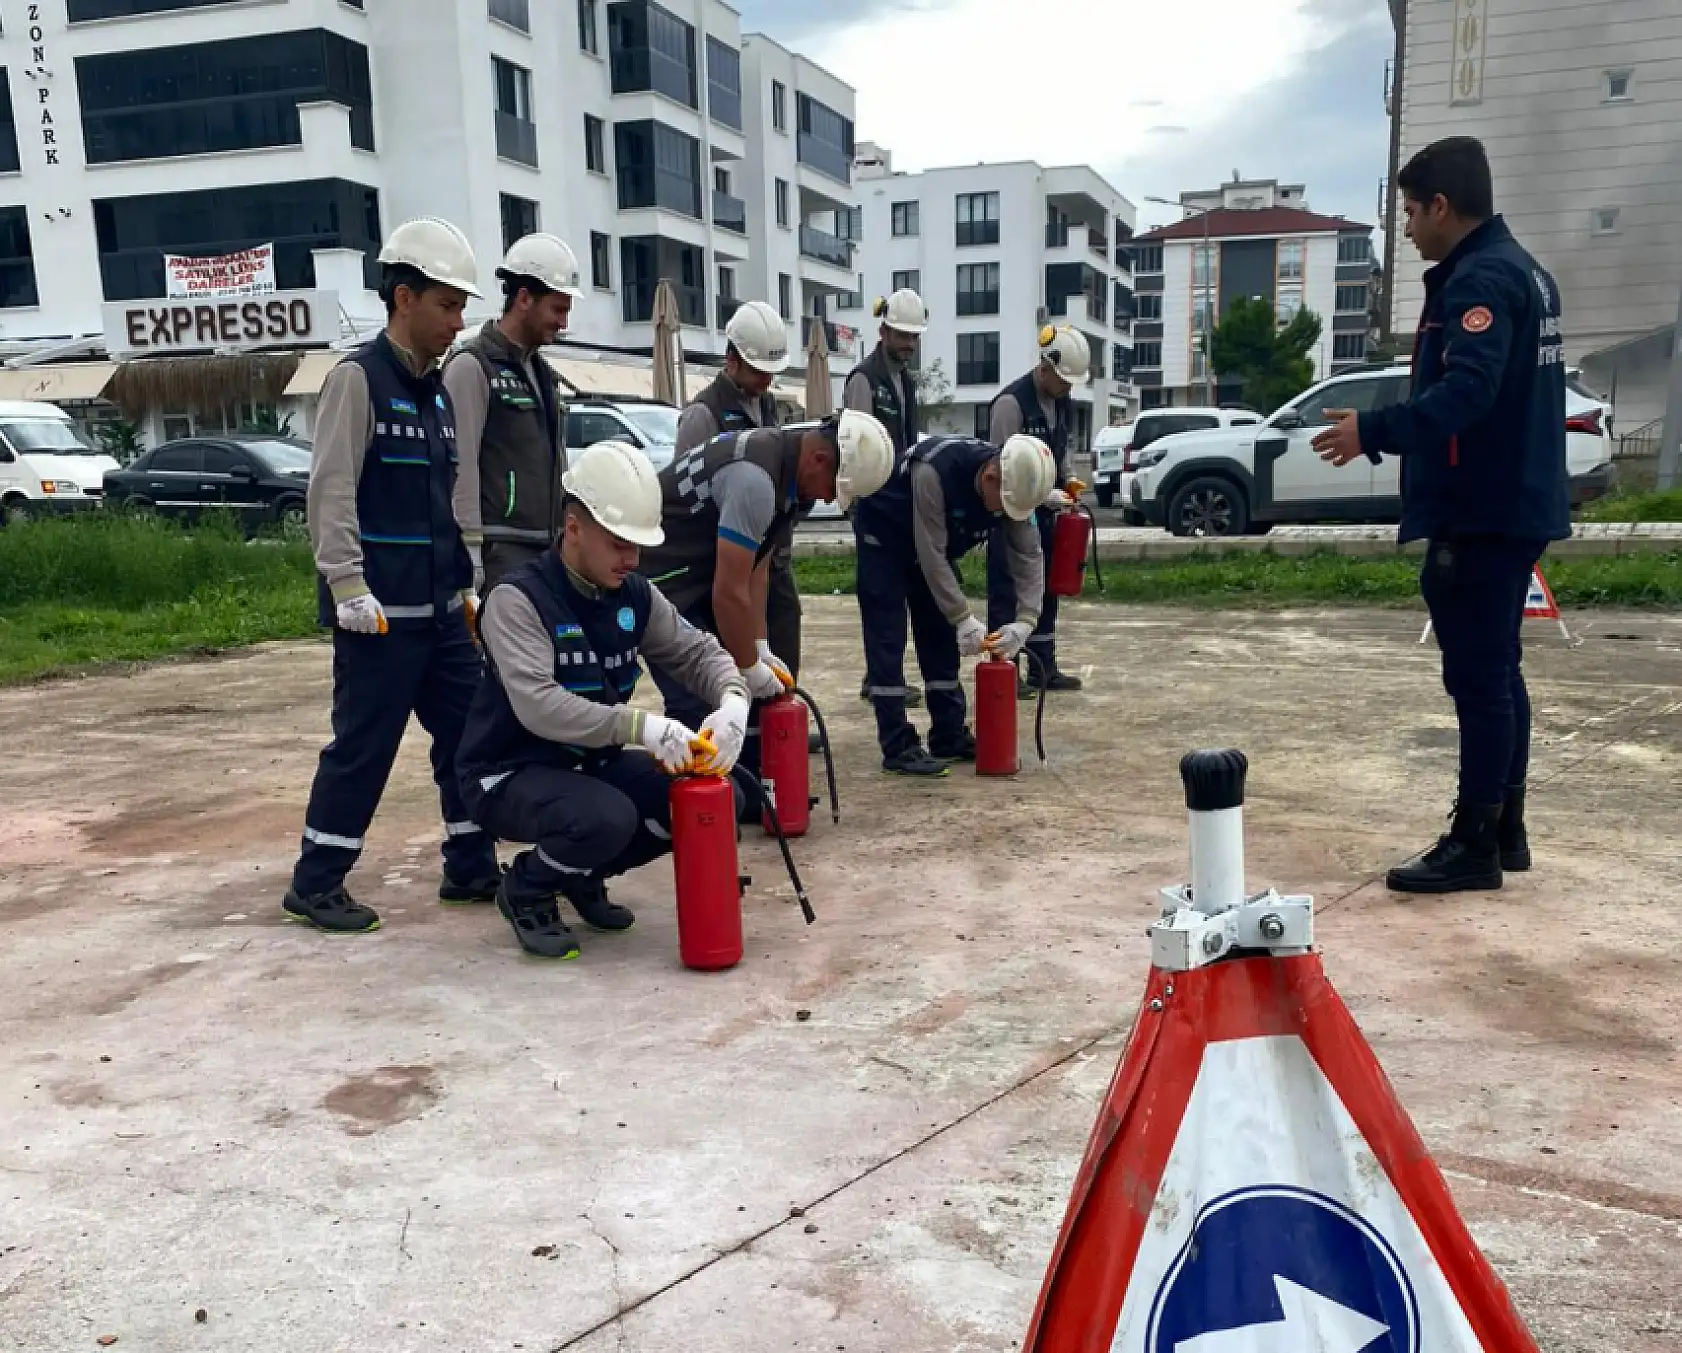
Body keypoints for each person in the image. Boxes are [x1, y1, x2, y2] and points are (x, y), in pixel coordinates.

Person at [1313, 136, 1569, 894]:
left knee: (1480, 677)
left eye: (1409, 211)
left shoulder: (1481, 277)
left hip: (1484, 508)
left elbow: (1468, 395)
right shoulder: (1528, 270)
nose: (1406, 227)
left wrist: (1374, 431)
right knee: (1500, 671)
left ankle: (1474, 841)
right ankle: (1504, 827)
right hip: (1514, 501)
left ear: (1441, 207)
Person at [283, 218, 502, 933]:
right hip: (377, 615)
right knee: (363, 748)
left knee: (472, 736)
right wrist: (346, 583)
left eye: (462, 307)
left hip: (440, 612)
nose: (458, 321)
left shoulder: (436, 394)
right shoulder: (358, 380)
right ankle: (316, 884)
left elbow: (446, 499)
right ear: (404, 298)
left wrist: (465, 580)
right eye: (447, 304)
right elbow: (332, 488)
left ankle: (470, 867)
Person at [457, 441, 751, 960]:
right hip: (507, 772)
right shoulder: (517, 599)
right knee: (605, 817)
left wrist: (732, 701)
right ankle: (527, 887)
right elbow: (539, 706)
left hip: (587, 765)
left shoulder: (633, 593)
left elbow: (696, 651)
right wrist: (642, 727)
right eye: (619, 543)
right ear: (574, 528)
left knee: (718, 797)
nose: (632, 559)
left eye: (638, 545)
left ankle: (580, 873)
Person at [640, 409, 895, 808]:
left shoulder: (791, 482)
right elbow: (729, 593)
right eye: (833, 487)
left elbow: (756, 572)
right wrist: (746, 666)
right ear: (819, 459)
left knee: (735, 689)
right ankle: (698, 813)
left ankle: (749, 794)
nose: (829, 498)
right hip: (661, 580)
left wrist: (758, 645)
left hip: (697, 577)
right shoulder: (755, 481)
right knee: (697, 699)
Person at [856, 433, 1056, 775]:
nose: (1006, 516)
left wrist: (1026, 619)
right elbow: (930, 553)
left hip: (934, 545)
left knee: (939, 638)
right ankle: (897, 744)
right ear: (990, 477)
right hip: (885, 537)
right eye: (1003, 507)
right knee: (888, 639)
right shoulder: (934, 472)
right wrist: (963, 617)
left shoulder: (1013, 486)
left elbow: (1029, 553)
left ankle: (948, 733)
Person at [674, 301, 807, 683]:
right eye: (758, 370)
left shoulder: (767, 407)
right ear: (731, 359)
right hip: (727, 562)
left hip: (769, 560)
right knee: (734, 668)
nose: (767, 380)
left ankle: (782, 736)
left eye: (770, 371)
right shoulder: (703, 414)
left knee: (782, 648)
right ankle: (751, 739)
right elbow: (689, 497)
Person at [446, 234, 580, 594]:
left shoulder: (541, 373)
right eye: (557, 309)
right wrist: (469, 551)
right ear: (523, 298)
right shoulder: (471, 366)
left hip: (545, 550)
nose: (563, 323)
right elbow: (460, 464)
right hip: (498, 552)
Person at [985, 324, 1093, 694]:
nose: (1067, 388)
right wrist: (1046, 495)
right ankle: (1005, 668)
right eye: (1063, 380)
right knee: (1007, 591)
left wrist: (1068, 482)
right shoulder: (1010, 404)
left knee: (1046, 589)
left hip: (1047, 516)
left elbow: (1060, 451)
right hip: (1010, 514)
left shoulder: (1060, 402)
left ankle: (1043, 667)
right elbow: (1000, 468)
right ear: (1044, 367)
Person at [846, 288, 929, 711]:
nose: (909, 345)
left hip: (898, 500)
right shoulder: (865, 379)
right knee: (881, 596)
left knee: (890, 595)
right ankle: (881, 678)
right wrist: (863, 503)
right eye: (902, 336)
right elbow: (856, 444)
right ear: (883, 331)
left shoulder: (904, 380)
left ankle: (878, 674)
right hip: (874, 503)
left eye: (914, 337)